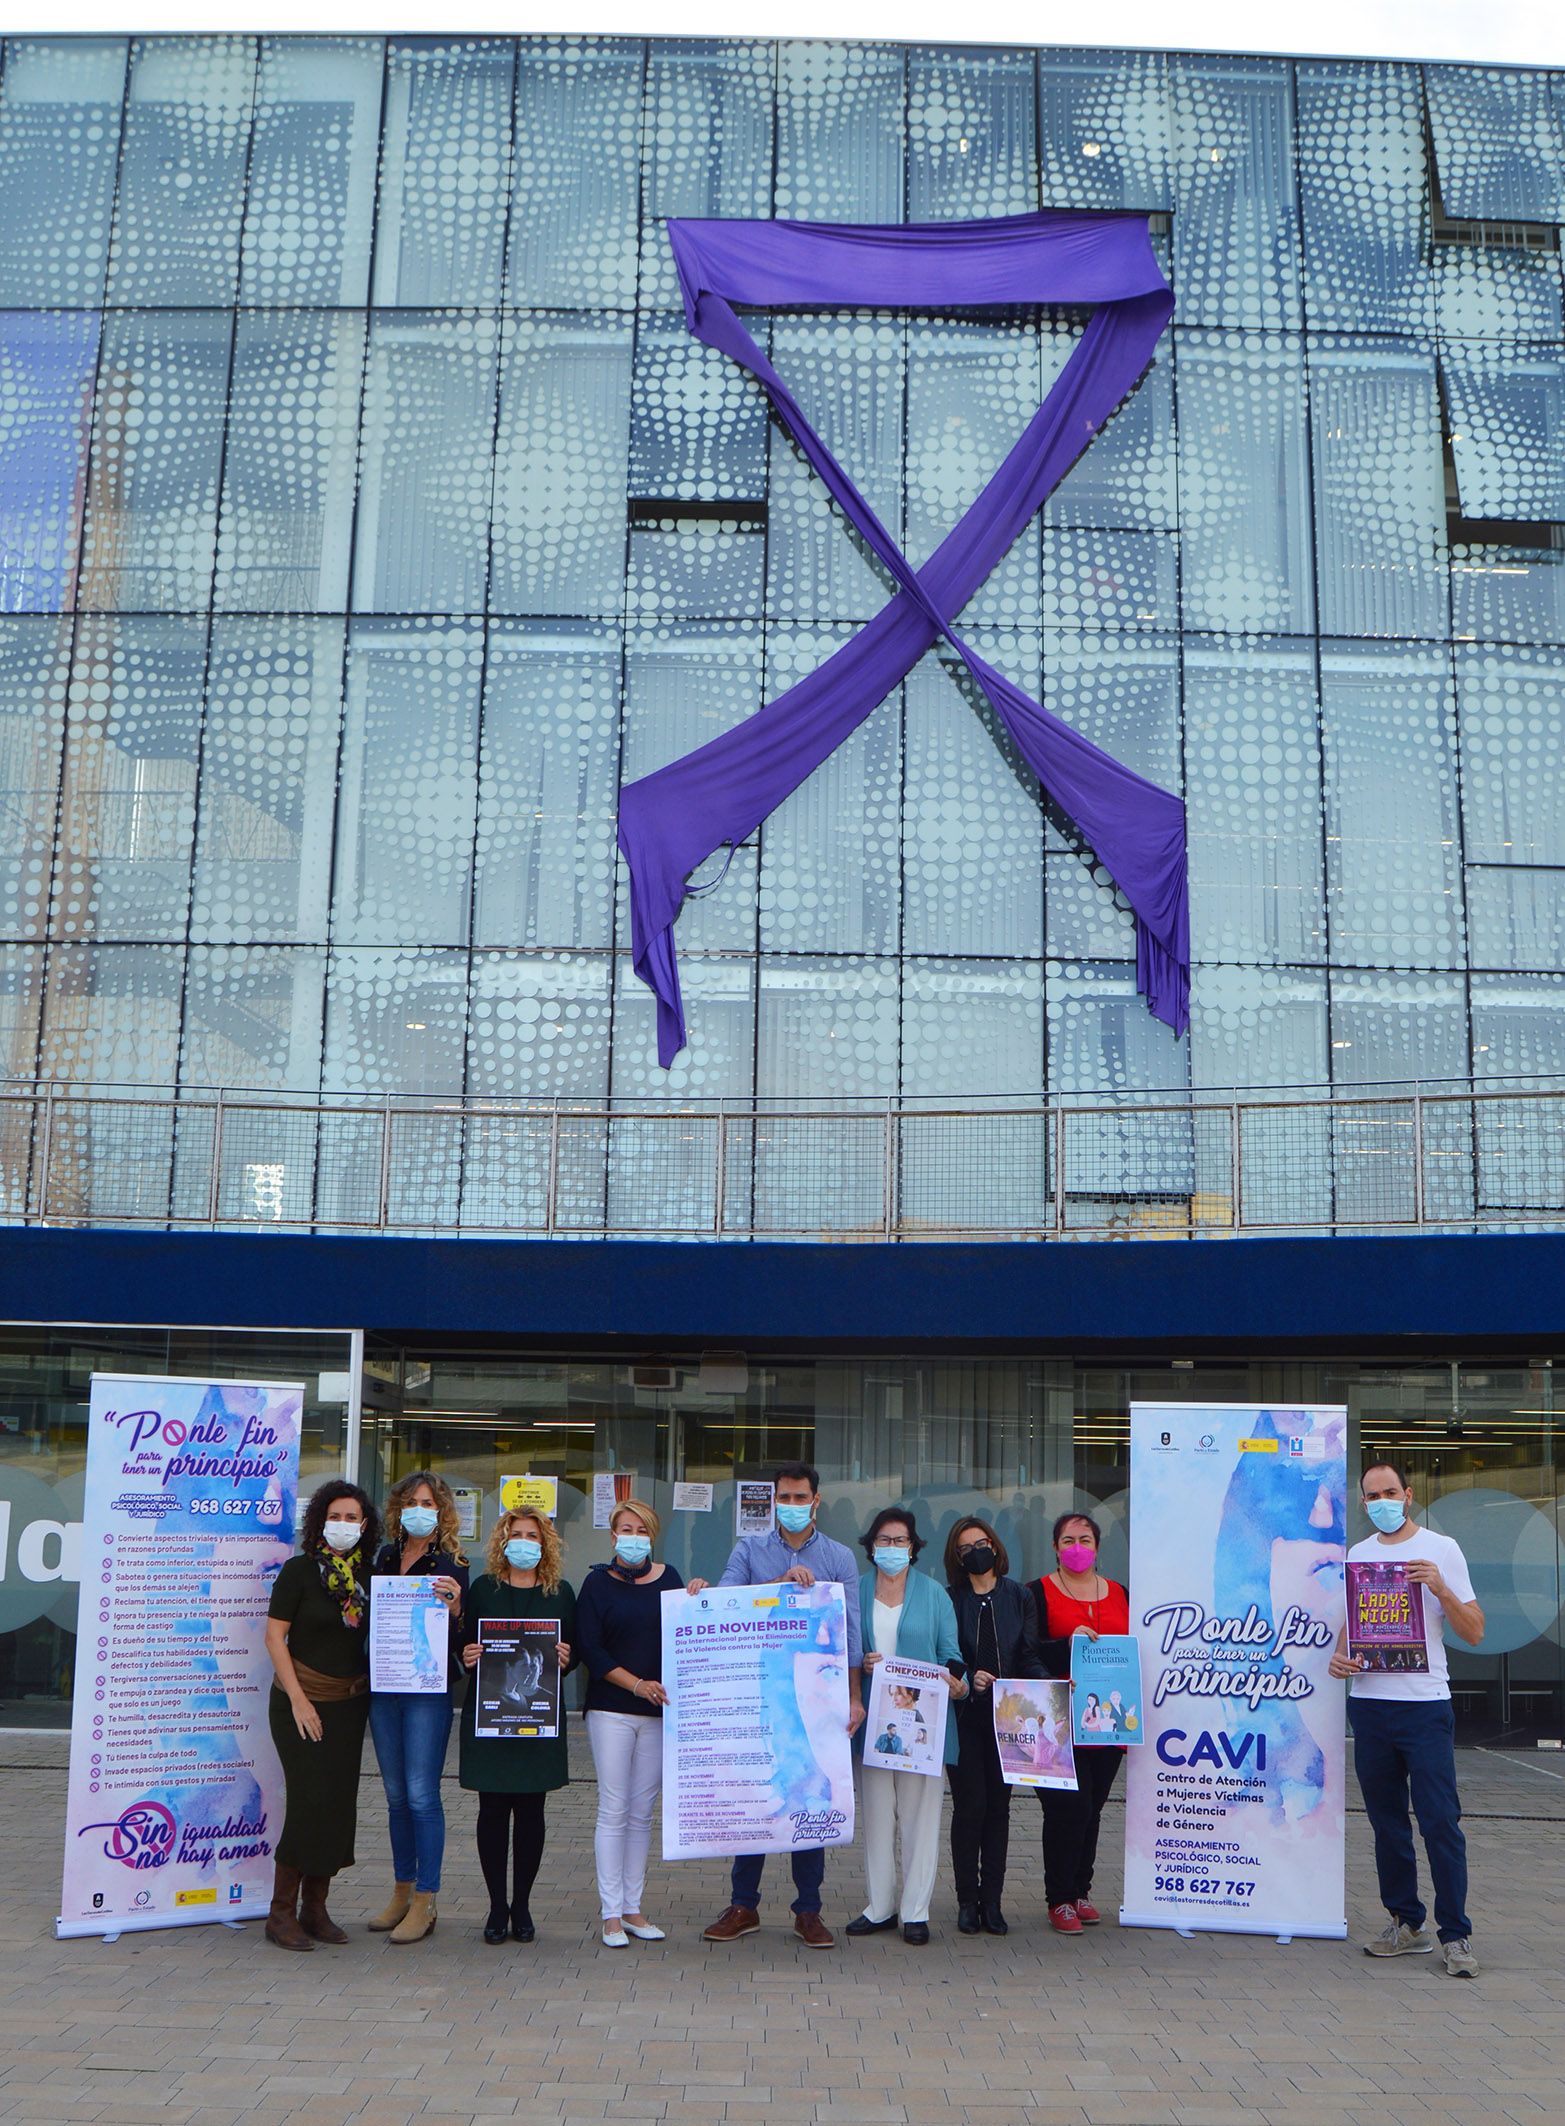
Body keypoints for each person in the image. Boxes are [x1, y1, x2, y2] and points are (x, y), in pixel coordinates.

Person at [690, 1461, 865, 1948]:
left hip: (815, 1696)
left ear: (816, 1500)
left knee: (809, 1791)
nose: (790, 1507)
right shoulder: (751, 1549)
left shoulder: (838, 1558)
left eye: (798, 1498)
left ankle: (808, 1910)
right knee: (756, 1791)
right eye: (782, 1499)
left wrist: (854, 1698)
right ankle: (743, 1904)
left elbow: (850, 1632)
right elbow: (728, 1597)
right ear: (772, 1502)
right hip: (758, 1692)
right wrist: (716, 1594)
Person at [1329, 1461, 1484, 1978]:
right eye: (1372, 1496)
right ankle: (1405, 1921)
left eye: (1389, 1492)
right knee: (1387, 1823)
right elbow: (1355, 1624)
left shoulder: (1443, 1549)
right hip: (1370, 1705)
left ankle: (1456, 1935)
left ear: (1409, 1495)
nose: (1381, 1502)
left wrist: (1439, 1588)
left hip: (1424, 1706)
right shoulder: (1359, 1555)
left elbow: (1475, 1631)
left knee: (1440, 1821)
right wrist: (1339, 1657)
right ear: (1363, 1503)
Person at [262, 1480, 380, 1951]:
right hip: (300, 1703)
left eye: (353, 1518)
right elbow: (275, 1639)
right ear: (320, 1521)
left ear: (365, 1525)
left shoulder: (370, 1579)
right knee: (309, 1803)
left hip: (350, 1705)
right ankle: (279, 1914)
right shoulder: (298, 1572)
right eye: (336, 1516)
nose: (344, 1525)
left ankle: (316, 1909)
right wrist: (298, 1699)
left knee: (335, 1806)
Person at [847, 1508, 968, 1947]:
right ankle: (879, 1906)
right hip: (875, 1727)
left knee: (920, 1821)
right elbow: (843, 1650)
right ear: (870, 1545)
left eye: (901, 1541)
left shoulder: (935, 1594)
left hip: (923, 1730)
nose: (892, 1548)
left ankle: (915, 1911)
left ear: (914, 1547)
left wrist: (957, 1684)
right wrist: (860, 1662)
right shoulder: (856, 1591)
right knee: (878, 1819)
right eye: (884, 1540)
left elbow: (952, 1654)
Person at [460, 1507, 577, 1945]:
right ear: (502, 1541)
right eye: (516, 1534)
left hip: (537, 1724)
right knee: (491, 1812)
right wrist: (467, 1655)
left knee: (531, 1813)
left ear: (545, 1543)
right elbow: (465, 1645)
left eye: (532, 1534)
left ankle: (522, 1904)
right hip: (491, 1719)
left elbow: (574, 1654)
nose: (524, 1542)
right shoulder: (484, 1591)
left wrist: (567, 1659)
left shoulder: (560, 1593)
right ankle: (495, 1906)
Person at [575, 1497, 684, 1948]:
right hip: (612, 1710)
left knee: (642, 1814)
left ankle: (634, 1908)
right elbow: (591, 1650)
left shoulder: (672, 1578)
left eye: (641, 1528)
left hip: (660, 1713)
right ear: (613, 1534)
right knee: (614, 1808)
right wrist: (637, 1685)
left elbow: (688, 1629)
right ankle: (610, 1914)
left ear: (651, 1533)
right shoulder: (596, 1583)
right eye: (625, 1528)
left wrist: (699, 1595)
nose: (633, 1536)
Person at [365, 1470, 468, 1945]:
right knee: (394, 1795)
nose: (419, 1510)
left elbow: (464, 1641)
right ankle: (401, 1890)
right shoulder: (384, 1557)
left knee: (422, 1793)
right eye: (411, 1501)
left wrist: (457, 1611)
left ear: (441, 1510)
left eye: (428, 1502)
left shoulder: (452, 1565)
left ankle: (427, 1897)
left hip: (428, 1688)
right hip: (385, 1687)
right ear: (398, 1509)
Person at [944, 1515, 1053, 1937]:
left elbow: (1028, 1653)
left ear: (996, 1545)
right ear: (957, 1556)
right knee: (970, 1808)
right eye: (966, 1547)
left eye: (982, 1543)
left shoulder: (1018, 1596)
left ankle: (993, 1901)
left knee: (1000, 1809)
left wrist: (1047, 1686)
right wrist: (969, 1674)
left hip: (1010, 1721)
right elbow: (948, 1652)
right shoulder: (951, 1598)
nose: (977, 1552)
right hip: (966, 1716)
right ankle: (966, 1901)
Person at [1030, 1512, 1129, 1936]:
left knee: (1093, 1810)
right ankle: (1059, 1898)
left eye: (1085, 1539)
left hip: (1109, 1725)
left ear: (1098, 1546)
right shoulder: (1036, 1592)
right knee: (1068, 1809)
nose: (1077, 1547)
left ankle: (1081, 1891)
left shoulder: (1121, 1593)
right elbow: (1028, 1649)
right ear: (1055, 1547)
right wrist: (1064, 1649)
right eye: (1068, 1540)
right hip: (1059, 1721)